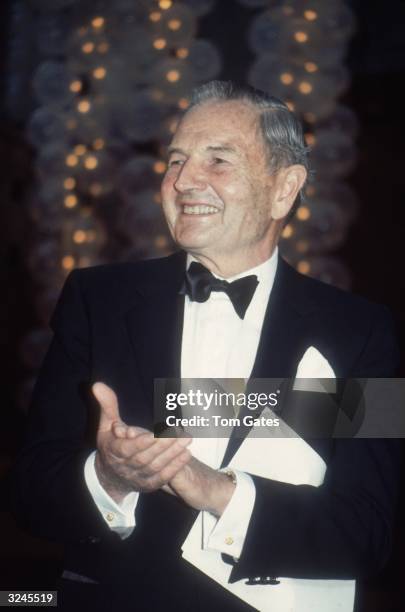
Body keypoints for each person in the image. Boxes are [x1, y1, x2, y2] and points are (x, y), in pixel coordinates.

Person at [12, 81, 400, 612]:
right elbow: (31, 492)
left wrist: (219, 492)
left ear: (284, 189)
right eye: (175, 160)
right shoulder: (98, 300)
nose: (183, 180)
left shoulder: (361, 332)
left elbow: (369, 532)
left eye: (218, 160)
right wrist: (108, 479)